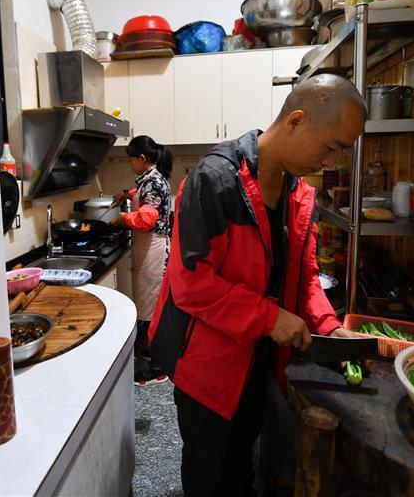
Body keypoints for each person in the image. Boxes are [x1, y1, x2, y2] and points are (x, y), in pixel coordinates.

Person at [148, 74, 368, 495]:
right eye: (331, 147)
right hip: (206, 367)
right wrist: (269, 318)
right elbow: (191, 285)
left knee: (240, 468)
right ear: (296, 121)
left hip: (256, 359)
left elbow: (305, 278)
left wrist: (327, 326)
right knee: (208, 474)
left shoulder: (297, 192)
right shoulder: (214, 181)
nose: (331, 161)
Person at [113, 135, 174, 386]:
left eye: (131, 159)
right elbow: (145, 197)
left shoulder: (154, 181)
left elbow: (147, 220)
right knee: (148, 305)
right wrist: (127, 195)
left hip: (153, 250)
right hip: (147, 248)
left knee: (151, 309)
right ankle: (152, 360)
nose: (130, 164)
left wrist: (122, 218)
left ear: (141, 158)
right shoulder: (150, 179)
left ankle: (156, 368)